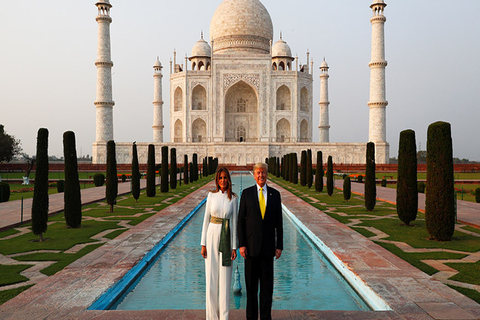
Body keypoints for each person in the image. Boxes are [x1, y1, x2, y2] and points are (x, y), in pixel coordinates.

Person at [238, 163, 283, 320]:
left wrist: (279, 246)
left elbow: (279, 222)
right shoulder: (247, 194)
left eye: (263, 172)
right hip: (250, 249)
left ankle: (265, 318)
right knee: (251, 290)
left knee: (266, 289)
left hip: (268, 249)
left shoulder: (275, 195)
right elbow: (240, 222)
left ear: (267, 174)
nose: (261, 175)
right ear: (254, 174)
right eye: (258, 173)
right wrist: (241, 244)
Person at [201, 167, 238, 320]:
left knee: (225, 279)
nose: (223, 180)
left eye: (225, 178)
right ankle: (211, 317)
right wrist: (203, 243)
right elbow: (205, 219)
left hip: (227, 236)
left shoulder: (234, 198)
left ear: (229, 180)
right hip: (212, 235)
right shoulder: (211, 196)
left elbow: (235, 222)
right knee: (211, 278)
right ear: (217, 180)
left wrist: (234, 246)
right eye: (220, 178)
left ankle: (224, 317)